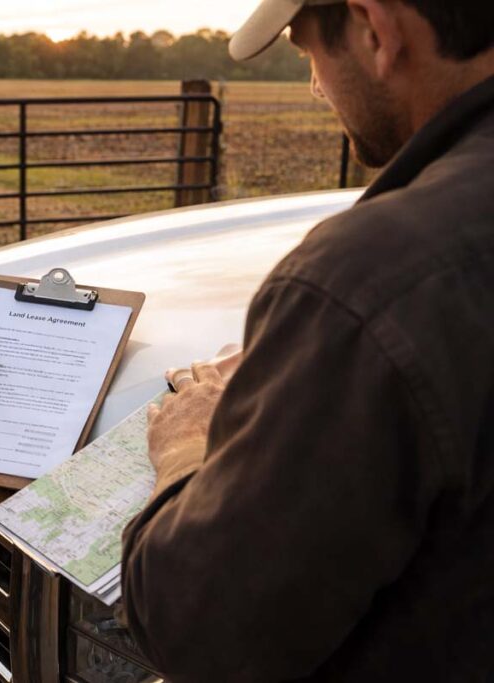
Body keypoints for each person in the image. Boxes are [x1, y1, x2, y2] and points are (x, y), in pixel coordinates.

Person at [122, 0, 493, 681]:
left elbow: (197, 626)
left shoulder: (366, 278)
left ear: (374, 29)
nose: (317, 88)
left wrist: (186, 449)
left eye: (308, 54)